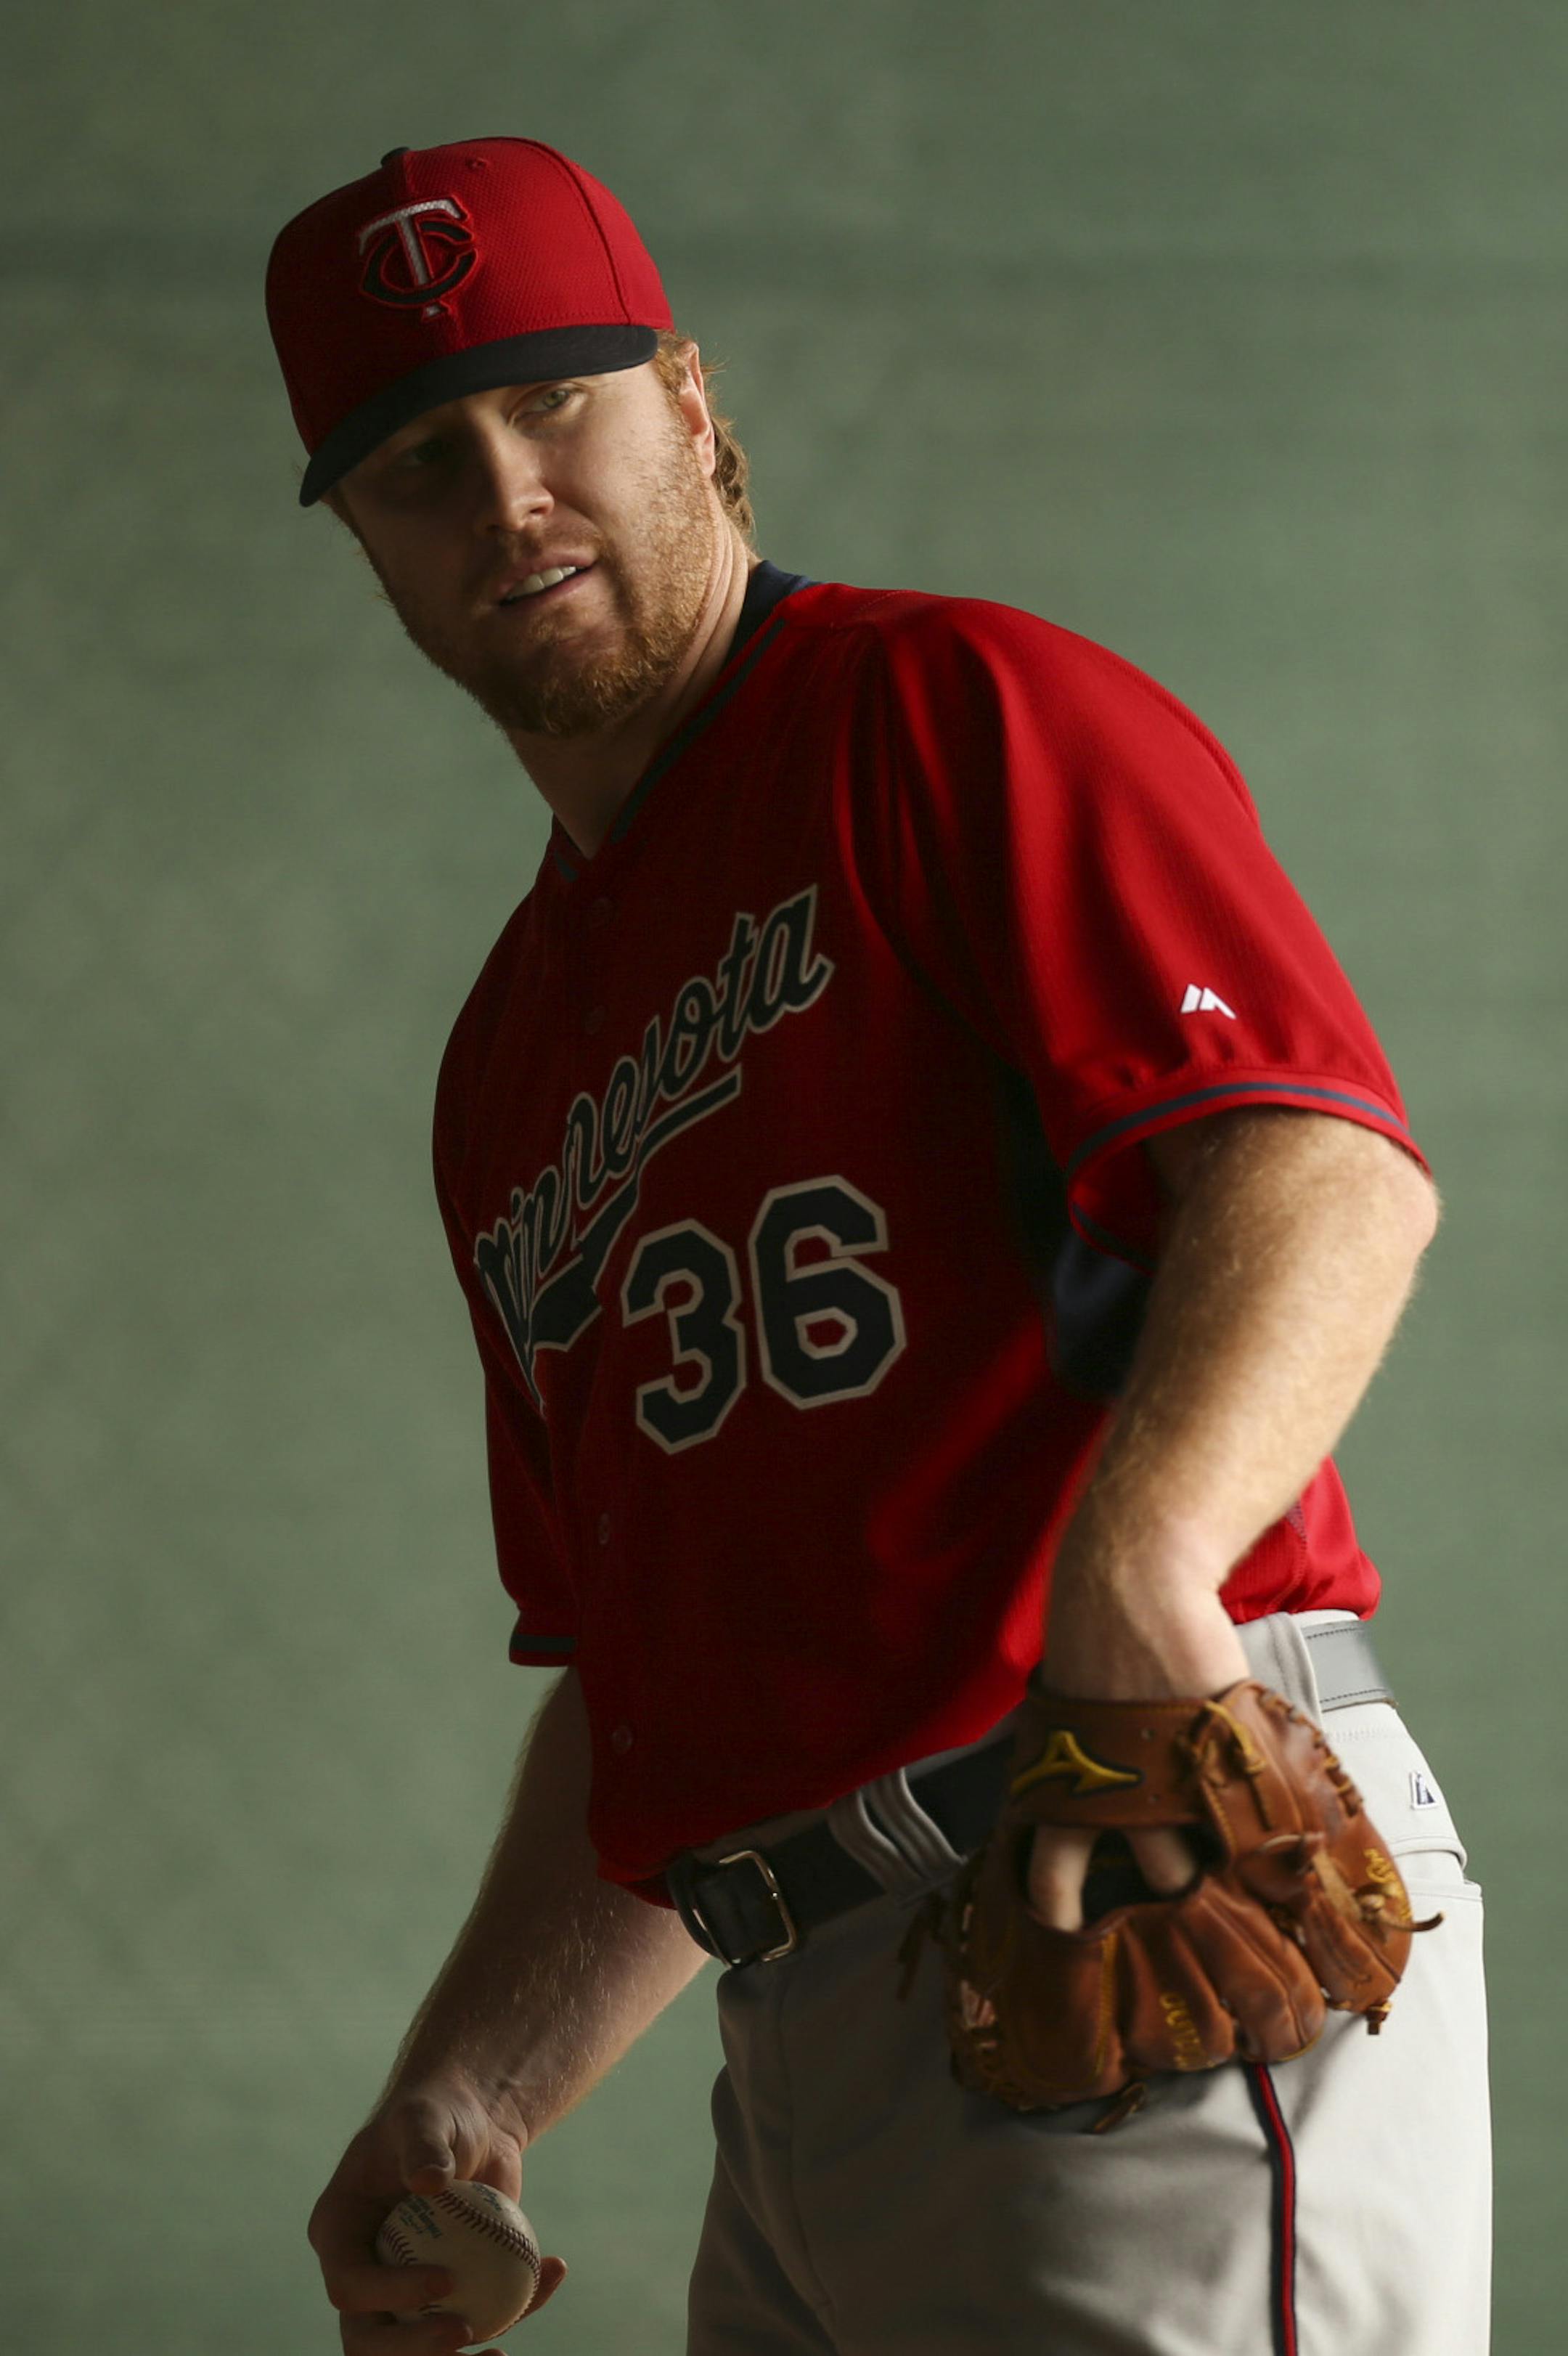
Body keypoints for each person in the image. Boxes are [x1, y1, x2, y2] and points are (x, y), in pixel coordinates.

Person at [267, 137, 1490, 2355]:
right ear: (371, 551)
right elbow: (660, 1667)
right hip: (800, 2028)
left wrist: (1148, 1560)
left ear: (695, 407)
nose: (510, 492)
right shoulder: (510, 1063)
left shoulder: (950, 715)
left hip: (1124, 1861)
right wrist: (478, 2078)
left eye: (560, 405)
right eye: (422, 465)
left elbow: (1318, 1165)